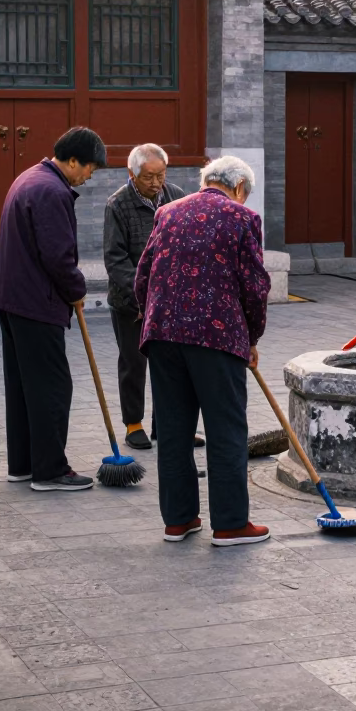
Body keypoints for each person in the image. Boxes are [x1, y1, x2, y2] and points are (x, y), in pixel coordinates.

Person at [135, 155, 271, 546]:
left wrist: (151, 318)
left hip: (163, 335)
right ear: (240, 187)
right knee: (225, 428)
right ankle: (229, 524)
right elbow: (255, 287)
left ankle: (178, 520)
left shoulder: (166, 212)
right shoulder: (242, 218)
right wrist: (252, 338)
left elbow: (143, 275)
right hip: (216, 335)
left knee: (173, 430)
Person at [0, 127, 108, 491]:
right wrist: (76, 290)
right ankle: (50, 470)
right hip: (35, 300)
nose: (89, 176)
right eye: (90, 168)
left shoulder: (30, 178)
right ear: (73, 161)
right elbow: (57, 256)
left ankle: (24, 465)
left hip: (12, 296)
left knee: (24, 385)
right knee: (52, 386)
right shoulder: (52, 191)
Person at [103, 143, 185, 450]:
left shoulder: (177, 196)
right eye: (148, 177)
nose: (155, 183)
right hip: (131, 303)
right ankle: (133, 423)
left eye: (160, 175)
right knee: (133, 364)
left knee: (171, 364)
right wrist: (141, 295)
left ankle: (167, 424)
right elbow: (115, 259)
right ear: (132, 173)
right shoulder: (118, 204)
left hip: (168, 300)